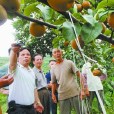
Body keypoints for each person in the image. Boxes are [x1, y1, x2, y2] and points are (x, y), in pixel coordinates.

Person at [7, 43, 44, 114]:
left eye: (28, 54)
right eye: (22, 55)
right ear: (18, 58)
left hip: (31, 108)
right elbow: (12, 64)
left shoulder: (31, 71)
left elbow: (34, 88)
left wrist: (38, 102)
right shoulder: (15, 69)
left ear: (30, 57)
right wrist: (14, 51)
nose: (26, 56)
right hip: (17, 109)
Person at [51, 48, 83, 114]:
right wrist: (53, 94)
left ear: (61, 52)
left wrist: (83, 89)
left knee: (82, 112)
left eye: (58, 51)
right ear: (53, 55)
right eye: (55, 52)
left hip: (75, 93)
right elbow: (53, 83)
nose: (57, 54)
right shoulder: (53, 68)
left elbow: (79, 75)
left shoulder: (69, 62)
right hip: (62, 95)